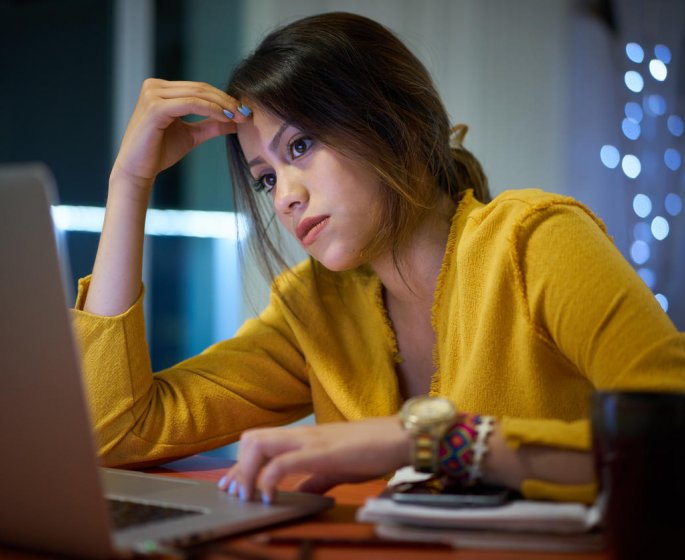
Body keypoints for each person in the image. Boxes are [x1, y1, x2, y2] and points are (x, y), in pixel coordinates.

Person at [72, 12, 685, 506]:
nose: (284, 196)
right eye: (264, 178)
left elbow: (671, 440)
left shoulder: (534, 241)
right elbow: (114, 433)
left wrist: (433, 442)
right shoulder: (314, 308)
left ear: (393, 123)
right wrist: (129, 183)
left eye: (301, 146)